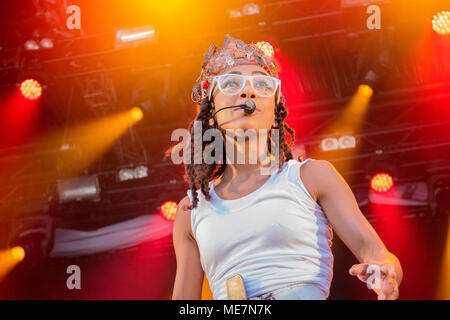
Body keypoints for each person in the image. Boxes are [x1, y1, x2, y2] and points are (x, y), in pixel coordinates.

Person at [171, 34, 402, 300]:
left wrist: (386, 272)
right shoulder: (191, 210)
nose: (248, 92)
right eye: (232, 83)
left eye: (262, 84)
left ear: (274, 110)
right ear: (211, 110)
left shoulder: (311, 177)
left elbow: (376, 252)